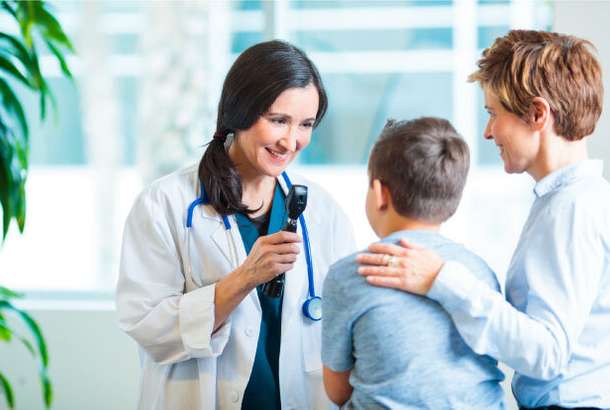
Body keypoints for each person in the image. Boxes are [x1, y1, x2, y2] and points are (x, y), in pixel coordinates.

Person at [357, 30, 610, 409]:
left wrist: (440, 279)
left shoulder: (571, 209)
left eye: (494, 114)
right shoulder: (569, 200)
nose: (488, 132)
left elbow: (548, 353)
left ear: (538, 114)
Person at [116, 40, 355, 410]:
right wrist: (242, 279)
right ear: (240, 111)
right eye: (278, 120)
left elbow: (345, 326)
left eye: (305, 125)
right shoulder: (164, 205)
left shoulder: (324, 213)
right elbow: (147, 326)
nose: (291, 141)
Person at [321, 117, 507, 409]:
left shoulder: (352, 275)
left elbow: (337, 390)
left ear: (380, 193)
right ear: (451, 201)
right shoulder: (480, 272)